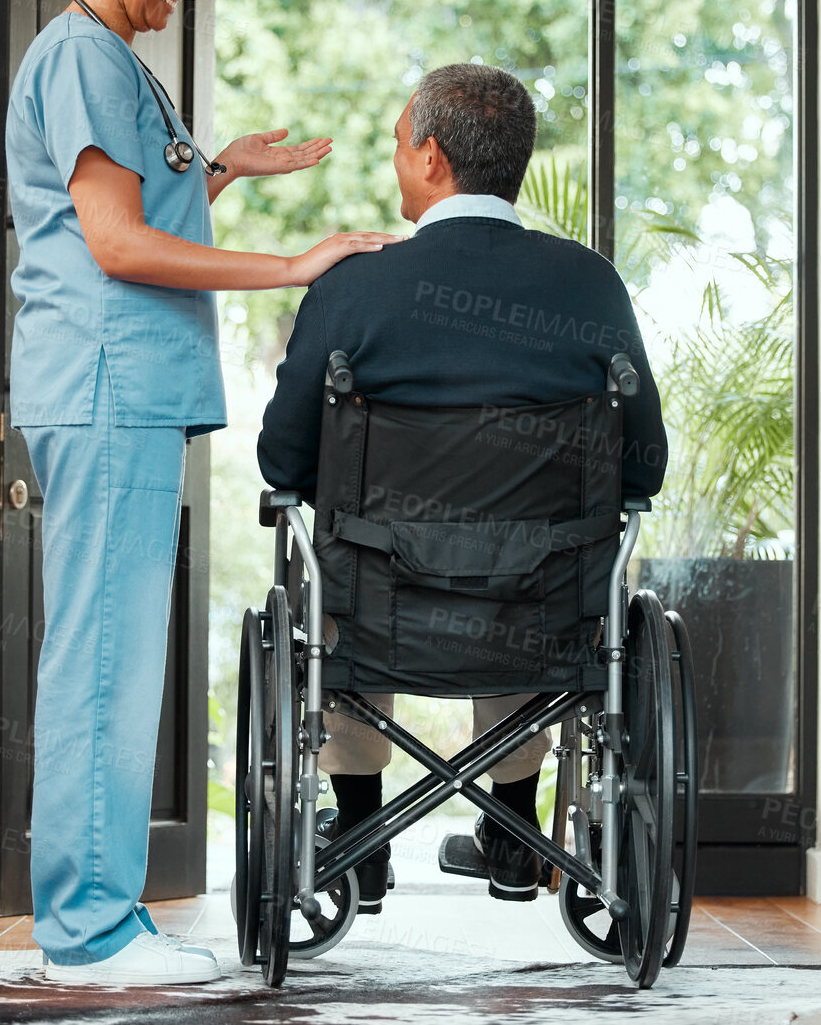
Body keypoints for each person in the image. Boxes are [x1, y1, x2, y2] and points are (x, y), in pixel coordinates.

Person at [7, 0, 398, 987]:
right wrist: (294, 265)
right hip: (103, 382)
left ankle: (99, 917)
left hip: (120, 386)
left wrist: (221, 166)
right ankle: (87, 930)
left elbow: (144, 213)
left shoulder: (110, 61)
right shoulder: (83, 55)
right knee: (101, 659)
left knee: (115, 655)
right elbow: (117, 246)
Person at [257, 62, 667, 912]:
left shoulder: (352, 286)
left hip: (380, 612)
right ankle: (515, 835)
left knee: (343, 566)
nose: (395, 159)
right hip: (536, 611)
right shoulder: (589, 284)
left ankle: (359, 840)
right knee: (534, 557)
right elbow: (644, 466)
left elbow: (282, 462)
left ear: (433, 156)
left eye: (399, 143)